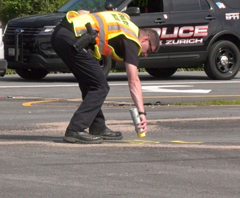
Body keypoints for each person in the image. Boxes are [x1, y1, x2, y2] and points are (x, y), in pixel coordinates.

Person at [51, 9, 160, 144]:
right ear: (145, 39)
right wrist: (142, 113)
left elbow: (85, 12)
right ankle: (75, 129)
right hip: (73, 39)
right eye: (149, 50)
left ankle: (97, 127)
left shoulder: (123, 19)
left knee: (90, 83)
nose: (146, 54)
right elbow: (133, 80)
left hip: (61, 33)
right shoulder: (131, 38)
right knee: (100, 87)